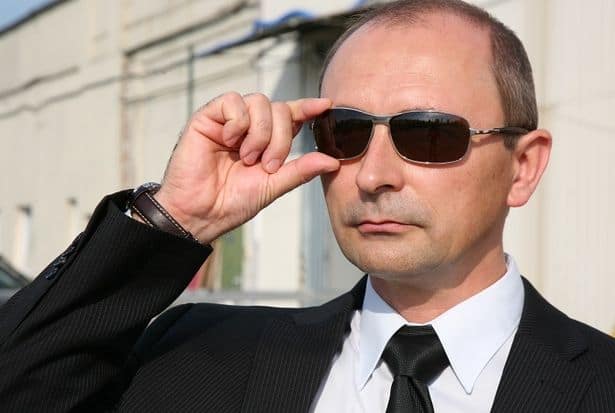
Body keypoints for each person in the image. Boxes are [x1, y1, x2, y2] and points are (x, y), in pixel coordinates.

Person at [1, 0, 614, 411]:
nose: (372, 175)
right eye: (344, 133)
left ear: (523, 166)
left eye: (427, 135)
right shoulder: (204, 355)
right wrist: (176, 218)